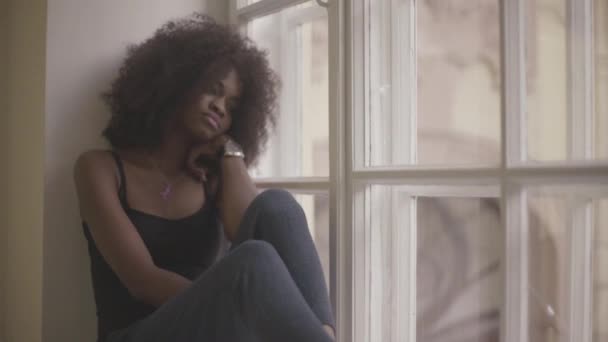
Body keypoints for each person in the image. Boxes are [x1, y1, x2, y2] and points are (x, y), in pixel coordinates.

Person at [73, 13, 335, 342]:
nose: (221, 107)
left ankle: (322, 336)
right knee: (252, 263)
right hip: (136, 334)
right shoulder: (99, 168)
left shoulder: (211, 178)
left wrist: (229, 149)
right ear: (179, 82)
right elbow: (141, 281)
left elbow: (248, 226)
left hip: (213, 330)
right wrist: (230, 298)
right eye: (214, 90)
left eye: (233, 106)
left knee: (277, 205)